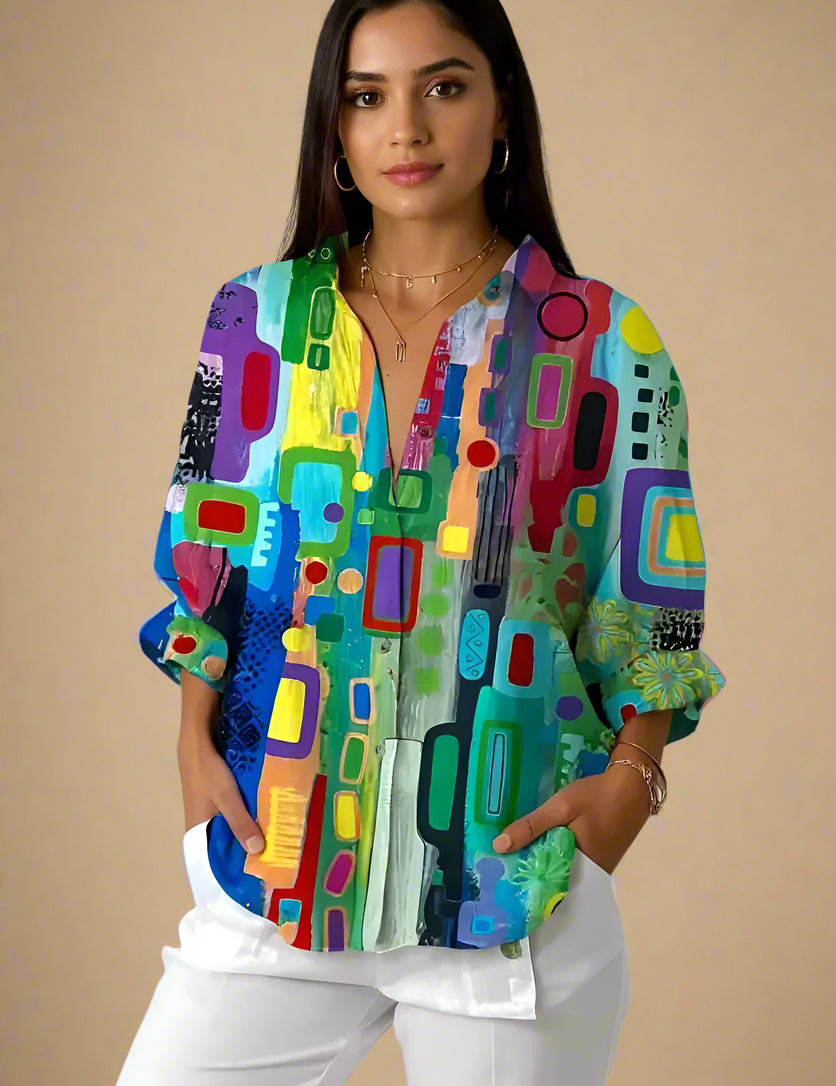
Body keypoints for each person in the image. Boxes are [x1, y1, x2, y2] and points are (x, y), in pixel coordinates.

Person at [117, 0, 727, 1082]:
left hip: (508, 889)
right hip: (278, 864)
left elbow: (653, 597)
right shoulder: (253, 322)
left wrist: (630, 785)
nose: (406, 127)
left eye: (443, 86)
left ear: (503, 111)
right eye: (367, 97)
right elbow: (205, 545)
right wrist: (190, 737)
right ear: (335, 128)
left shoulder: (601, 340)